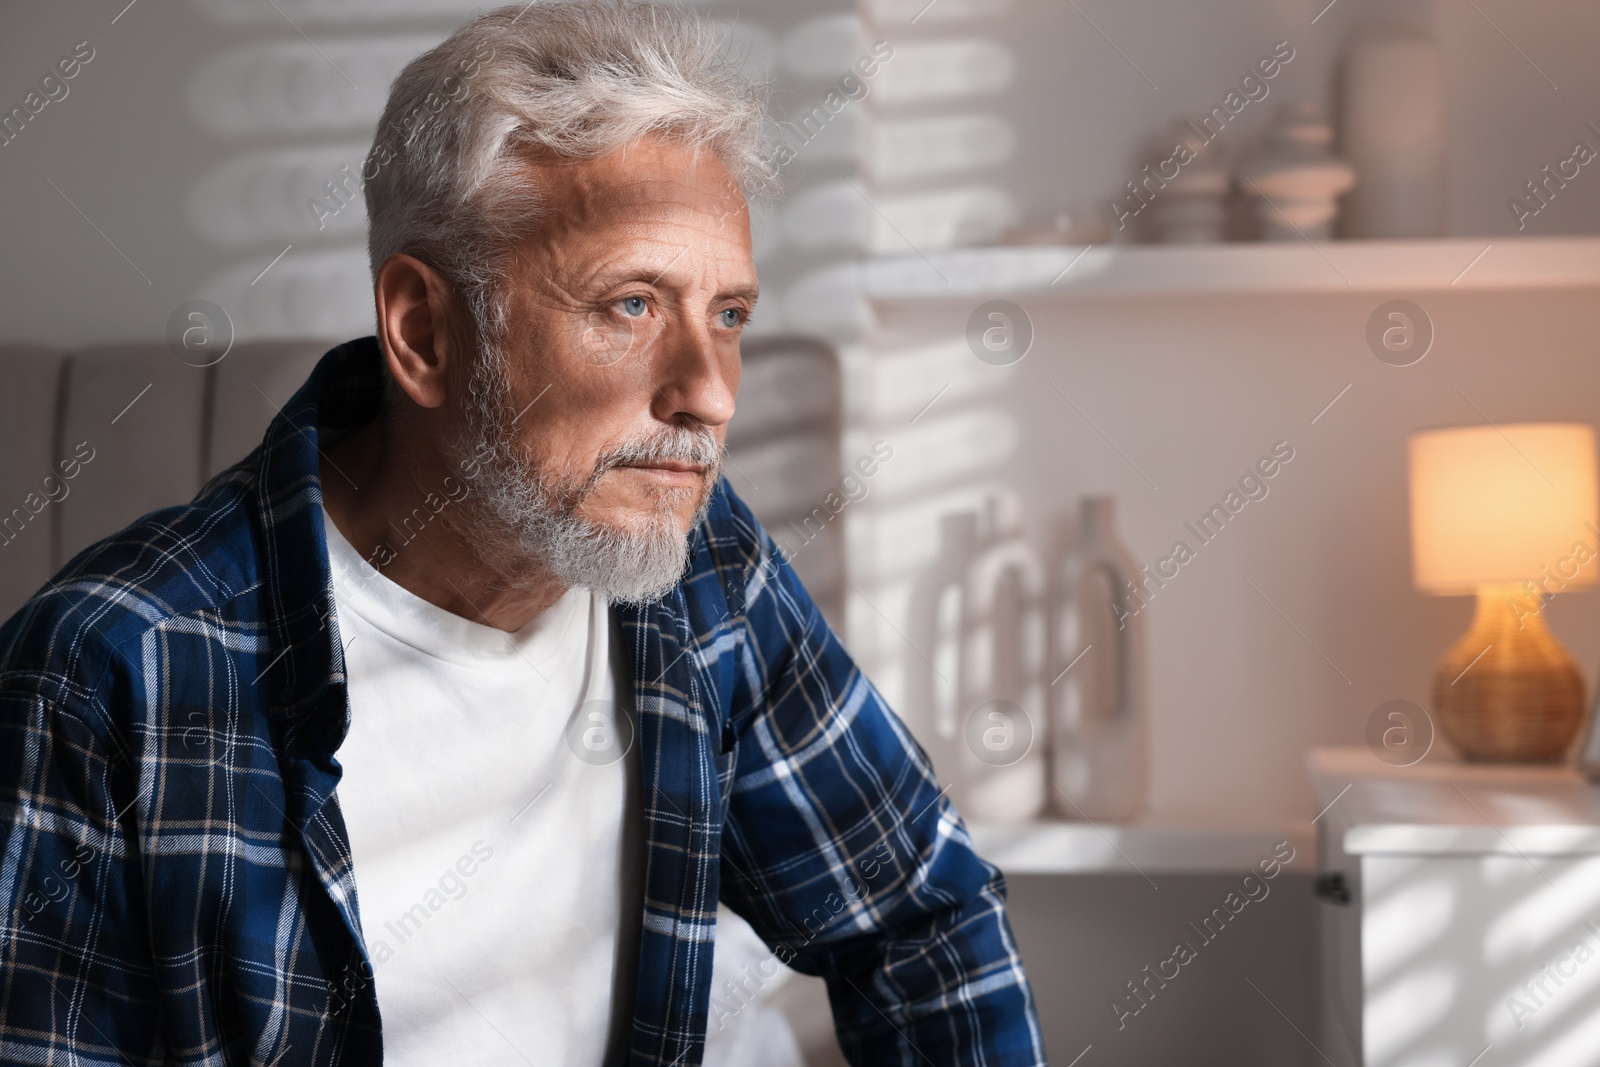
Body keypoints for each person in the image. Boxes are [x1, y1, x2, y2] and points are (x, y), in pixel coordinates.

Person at [0, 3, 1043, 1063]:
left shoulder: (704, 566)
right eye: (630, 304)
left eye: (727, 313)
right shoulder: (108, 674)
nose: (710, 394)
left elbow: (921, 914)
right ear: (424, 331)